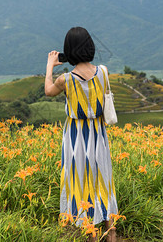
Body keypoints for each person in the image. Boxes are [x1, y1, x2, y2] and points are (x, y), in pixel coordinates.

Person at [45, 27, 118, 242]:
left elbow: (48, 91)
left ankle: (91, 235)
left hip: (76, 137)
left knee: (79, 182)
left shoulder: (65, 80)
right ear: (90, 47)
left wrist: (50, 65)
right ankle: (111, 233)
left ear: (69, 51)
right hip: (98, 134)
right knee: (103, 179)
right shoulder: (103, 71)